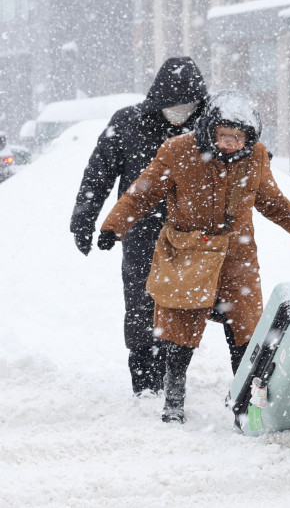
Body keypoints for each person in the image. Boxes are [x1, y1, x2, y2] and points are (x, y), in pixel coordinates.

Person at [95, 90, 290, 424]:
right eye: (224, 135)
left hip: (237, 260)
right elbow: (141, 194)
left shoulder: (256, 157)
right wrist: (112, 228)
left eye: (239, 137)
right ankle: (174, 395)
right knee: (180, 331)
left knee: (246, 333)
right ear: (209, 130)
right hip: (188, 254)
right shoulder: (177, 151)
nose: (232, 143)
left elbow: (274, 203)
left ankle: (242, 400)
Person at [69, 56, 209, 397]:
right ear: (158, 100)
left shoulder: (207, 124)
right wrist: (84, 220)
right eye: (173, 105)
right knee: (142, 302)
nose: (181, 112)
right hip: (142, 229)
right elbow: (98, 174)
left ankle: (175, 374)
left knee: (187, 303)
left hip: (192, 232)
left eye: (188, 105)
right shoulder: (129, 123)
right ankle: (145, 379)